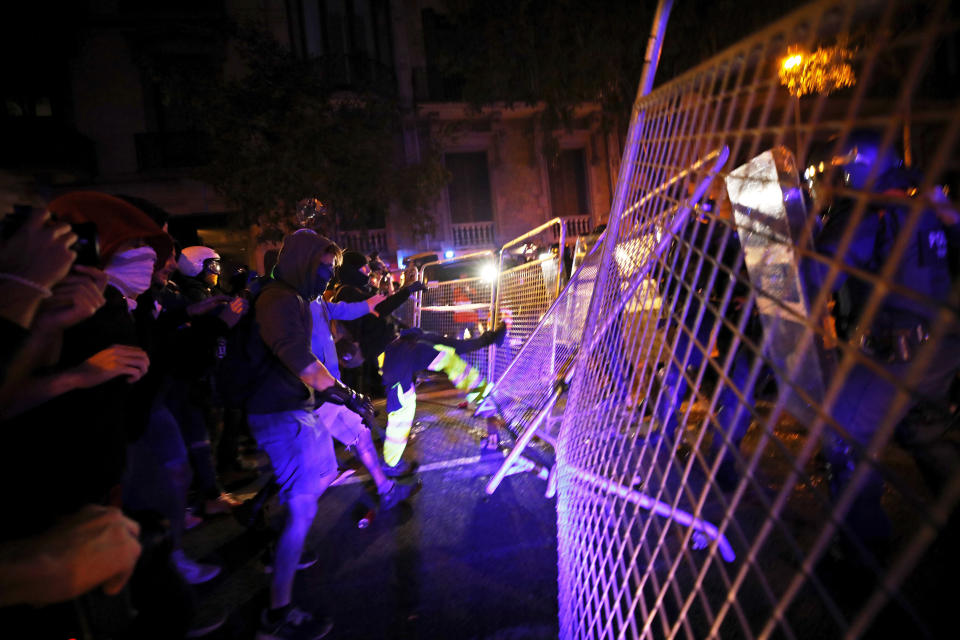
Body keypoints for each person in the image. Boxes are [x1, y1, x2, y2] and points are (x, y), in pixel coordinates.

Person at [811, 130, 960, 557]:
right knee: (925, 435)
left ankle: (865, 550)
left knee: (845, 436)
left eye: (836, 175)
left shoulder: (865, 214)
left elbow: (818, 274)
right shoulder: (925, 205)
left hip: (896, 356)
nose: (832, 184)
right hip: (939, 352)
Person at [245, 229, 387, 639]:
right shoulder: (279, 299)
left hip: (298, 409)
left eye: (331, 267)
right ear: (304, 261)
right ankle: (276, 614)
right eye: (324, 266)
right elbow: (298, 357)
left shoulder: (297, 299)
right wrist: (347, 394)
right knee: (304, 506)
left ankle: (275, 535)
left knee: (319, 478)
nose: (328, 274)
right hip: (283, 413)